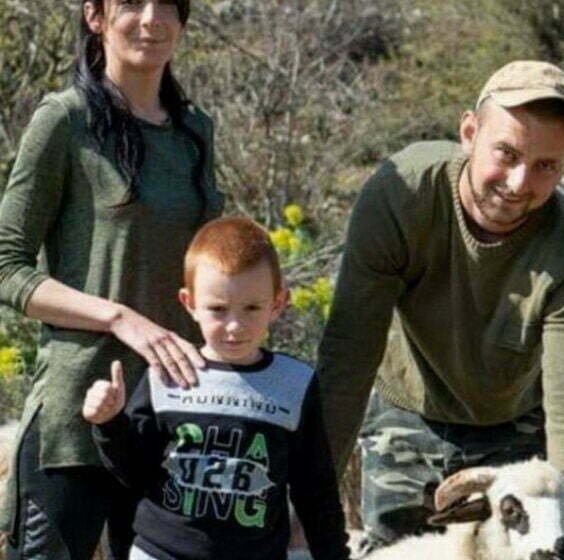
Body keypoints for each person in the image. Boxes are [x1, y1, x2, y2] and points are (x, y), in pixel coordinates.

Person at [317, 60, 564, 557]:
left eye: (546, 167)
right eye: (507, 153)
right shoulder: (402, 195)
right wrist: (310, 491)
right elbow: (349, 356)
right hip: (406, 413)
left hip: (512, 430)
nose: (518, 182)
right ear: (470, 132)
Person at [0, 1, 224, 558]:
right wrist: (120, 317)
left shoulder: (196, 130)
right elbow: (6, 264)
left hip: (173, 418)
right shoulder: (65, 119)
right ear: (95, 16)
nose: (151, 19)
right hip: (75, 419)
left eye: (167, 4)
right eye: (131, 4)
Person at [82, 216, 351, 560]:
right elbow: (134, 473)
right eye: (218, 310)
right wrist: (109, 422)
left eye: (252, 307)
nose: (235, 326)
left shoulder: (294, 383)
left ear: (278, 303)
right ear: (189, 303)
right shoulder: (165, 373)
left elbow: (316, 491)